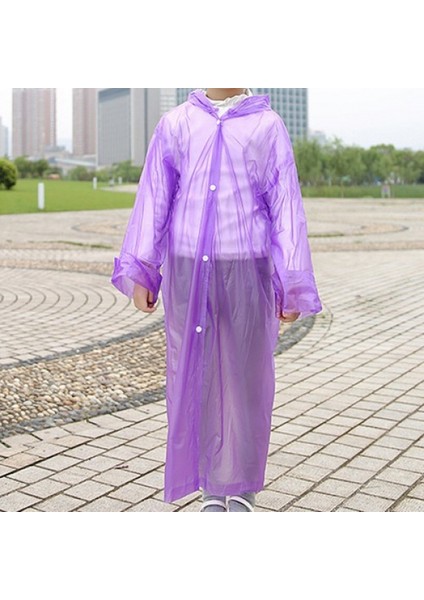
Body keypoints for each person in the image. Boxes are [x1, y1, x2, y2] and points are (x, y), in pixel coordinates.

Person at [111, 87, 323, 512]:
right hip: (188, 267)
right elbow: (155, 197)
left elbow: (286, 205)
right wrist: (144, 269)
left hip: (247, 265)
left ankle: (242, 485)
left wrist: (292, 281)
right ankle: (210, 484)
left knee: (247, 378)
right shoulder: (176, 124)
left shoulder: (267, 125)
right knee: (197, 372)